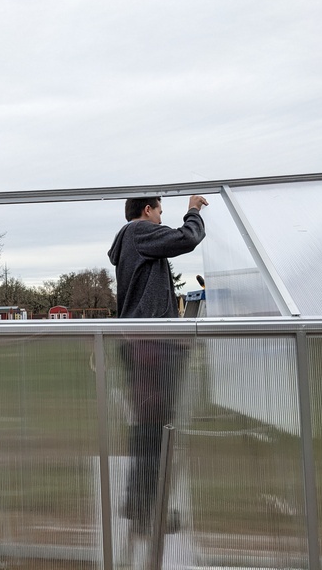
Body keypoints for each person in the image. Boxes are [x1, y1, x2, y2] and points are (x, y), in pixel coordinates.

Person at [107, 194, 208, 536]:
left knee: (149, 430)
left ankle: (140, 506)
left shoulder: (132, 241)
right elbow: (188, 238)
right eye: (160, 212)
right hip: (150, 347)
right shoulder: (139, 231)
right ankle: (147, 512)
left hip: (145, 345)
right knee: (153, 431)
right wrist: (193, 210)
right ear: (147, 211)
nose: (162, 220)